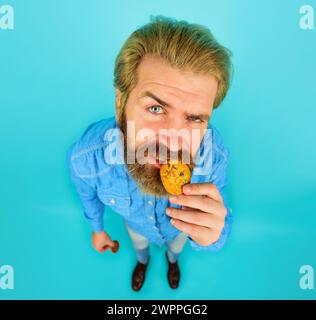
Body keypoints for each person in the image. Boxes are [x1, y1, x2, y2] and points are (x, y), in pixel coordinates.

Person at [67, 15, 233, 291]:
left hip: (177, 232)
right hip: (136, 227)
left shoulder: (214, 156)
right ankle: (142, 263)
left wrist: (215, 234)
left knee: (175, 249)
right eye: (156, 109)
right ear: (121, 103)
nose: (174, 141)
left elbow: (218, 210)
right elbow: (87, 194)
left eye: (194, 119)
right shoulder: (86, 157)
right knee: (140, 247)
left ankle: (172, 263)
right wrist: (98, 229)